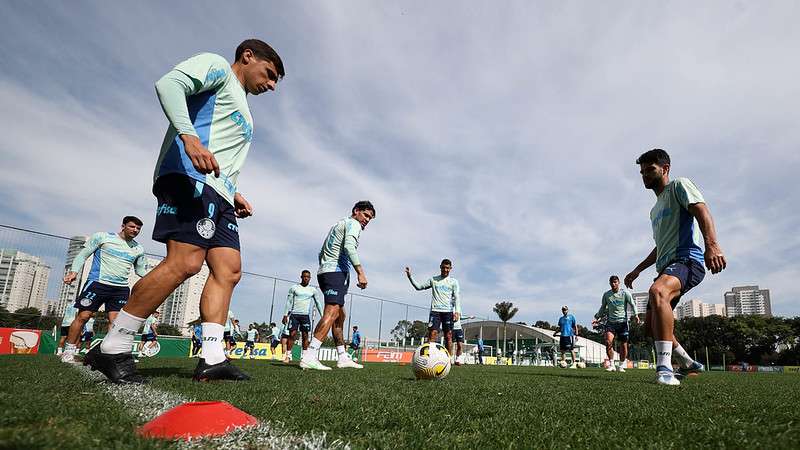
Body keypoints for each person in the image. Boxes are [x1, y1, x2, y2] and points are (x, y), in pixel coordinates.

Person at [82, 39, 285, 383]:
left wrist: (234, 193)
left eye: (275, 81)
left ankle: (212, 357)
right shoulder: (217, 66)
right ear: (247, 57)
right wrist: (189, 137)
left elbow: (222, 150)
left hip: (220, 193)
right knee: (185, 262)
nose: (271, 85)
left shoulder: (244, 108)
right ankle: (112, 347)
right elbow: (169, 85)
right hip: (188, 178)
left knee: (229, 270)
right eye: (269, 74)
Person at [624, 149, 726, 386]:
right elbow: (660, 246)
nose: (645, 176)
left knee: (658, 291)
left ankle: (665, 368)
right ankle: (689, 363)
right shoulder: (654, 210)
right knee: (651, 328)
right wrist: (638, 269)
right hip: (666, 265)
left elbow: (702, 210)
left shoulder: (679, 186)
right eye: (642, 172)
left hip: (687, 260)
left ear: (666, 168)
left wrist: (712, 245)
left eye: (650, 170)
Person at [301, 201, 376, 371]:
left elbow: (321, 251)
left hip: (326, 271)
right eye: (365, 215)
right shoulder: (353, 224)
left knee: (340, 315)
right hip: (335, 272)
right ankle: (310, 355)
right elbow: (350, 247)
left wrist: (325, 267)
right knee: (333, 311)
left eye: (370, 218)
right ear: (356, 211)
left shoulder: (339, 224)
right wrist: (360, 272)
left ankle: (342, 356)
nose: (366, 220)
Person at [60, 216, 146, 364]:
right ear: (123, 226)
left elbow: (140, 270)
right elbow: (83, 255)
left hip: (120, 289)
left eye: (138, 228)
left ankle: (114, 355)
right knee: (83, 317)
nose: (135, 230)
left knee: (116, 323)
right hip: (97, 284)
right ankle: (69, 351)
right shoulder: (102, 237)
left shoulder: (138, 248)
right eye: (132, 227)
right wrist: (73, 272)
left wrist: (160, 278)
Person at [405, 259, 461, 358]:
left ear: (451, 268)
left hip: (448, 312)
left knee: (448, 336)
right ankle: (428, 359)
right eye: (443, 267)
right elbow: (419, 287)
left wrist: (457, 311)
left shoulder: (454, 282)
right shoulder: (433, 280)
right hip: (435, 311)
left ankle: (448, 359)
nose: (445, 270)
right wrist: (410, 277)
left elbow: (457, 297)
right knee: (432, 334)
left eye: (447, 268)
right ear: (440, 267)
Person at [593, 275, 639, 372]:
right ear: (610, 283)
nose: (614, 284)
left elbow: (632, 304)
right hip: (611, 323)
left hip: (623, 323)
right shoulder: (606, 295)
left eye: (615, 282)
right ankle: (612, 364)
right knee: (608, 342)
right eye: (612, 282)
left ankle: (621, 365)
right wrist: (597, 317)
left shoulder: (625, 293)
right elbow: (603, 307)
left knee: (623, 344)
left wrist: (636, 315)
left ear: (619, 282)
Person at [282, 270, 323, 363]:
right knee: (292, 335)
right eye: (304, 276)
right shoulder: (294, 288)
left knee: (305, 336)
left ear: (310, 278)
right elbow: (289, 302)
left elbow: (318, 303)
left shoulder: (313, 290)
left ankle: (304, 358)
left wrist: (322, 316)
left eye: (308, 277)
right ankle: (288, 356)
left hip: (305, 316)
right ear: (301, 277)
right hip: (294, 315)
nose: (306, 278)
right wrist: (285, 315)